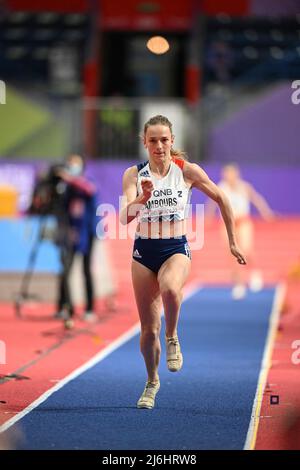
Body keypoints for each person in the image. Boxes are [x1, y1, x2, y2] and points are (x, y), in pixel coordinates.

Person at [120, 115, 246, 409]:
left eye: (164, 140)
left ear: (172, 141)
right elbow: (125, 216)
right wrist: (143, 196)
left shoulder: (186, 171)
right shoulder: (133, 174)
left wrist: (232, 240)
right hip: (143, 253)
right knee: (147, 330)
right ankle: (152, 382)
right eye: (153, 140)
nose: (159, 146)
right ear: (144, 143)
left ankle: (173, 334)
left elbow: (222, 199)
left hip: (175, 248)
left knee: (171, 290)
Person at [206, 163, 274, 299]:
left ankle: (255, 273)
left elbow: (257, 199)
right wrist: (208, 217)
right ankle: (239, 284)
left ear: (236, 174)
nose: (229, 177)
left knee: (247, 249)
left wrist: (266, 212)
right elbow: (212, 203)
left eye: (231, 174)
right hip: (227, 224)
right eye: (226, 175)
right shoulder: (221, 187)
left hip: (243, 222)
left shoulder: (244, 187)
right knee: (231, 254)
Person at [54, 154, 98, 328]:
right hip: (70, 232)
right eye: (70, 163)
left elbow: (90, 190)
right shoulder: (67, 187)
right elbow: (62, 207)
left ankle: (89, 308)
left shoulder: (86, 181)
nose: (72, 166)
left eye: (75, 163)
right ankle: (65, 306)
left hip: (87, 233)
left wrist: (71, 179)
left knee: (86, 270)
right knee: (65, 270)